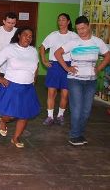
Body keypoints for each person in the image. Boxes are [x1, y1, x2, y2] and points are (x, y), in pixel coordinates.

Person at [54, 16, 110, 146]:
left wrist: (99, 68)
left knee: (86, 110)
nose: (81, 31)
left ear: (88, 26)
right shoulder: (73, 42)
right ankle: (74, 135)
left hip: (91, 81)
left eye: (83, 28)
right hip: (75, 80)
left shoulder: (97, 42)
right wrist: (67, 67)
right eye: (78, 29)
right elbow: (58, 53)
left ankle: (79, 133)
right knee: (77, 108)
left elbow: (107, 55)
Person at [0, 27, 40, 148]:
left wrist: (34, 79)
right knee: (11, 115)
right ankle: (3, 120)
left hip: (27, 87)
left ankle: (15, 138)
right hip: (12, 86)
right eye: (25, 35)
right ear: (19, 35)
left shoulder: (33, 51)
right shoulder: (11, 48)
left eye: (30, 36)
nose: (28, 38)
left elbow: (36, 66)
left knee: (24, 115)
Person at [40, 13, 78, 126]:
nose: (60, 22)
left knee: (65, 94)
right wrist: (44, 60)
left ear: (68, 22)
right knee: (51, 93)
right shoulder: (53, 35)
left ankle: (60, 115)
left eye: (63, 20)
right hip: (55, 66)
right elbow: (42, 47)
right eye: (59, 20)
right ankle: (50, 116)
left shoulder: (74, 36)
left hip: (69, 65)